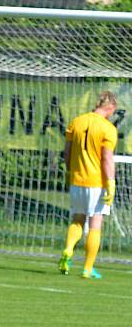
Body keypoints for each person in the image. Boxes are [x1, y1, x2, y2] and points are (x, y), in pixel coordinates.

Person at [58, 91, 117, 279]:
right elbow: (107, 158)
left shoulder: (77, 121)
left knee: (77, 219)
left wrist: (69, 171)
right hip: (96, 182)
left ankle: (68, 249)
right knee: (95, 223)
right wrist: (111, 183)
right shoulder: (107, 128)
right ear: (110, 108)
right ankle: (88, 268)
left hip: (76, 179)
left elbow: (67, 152)